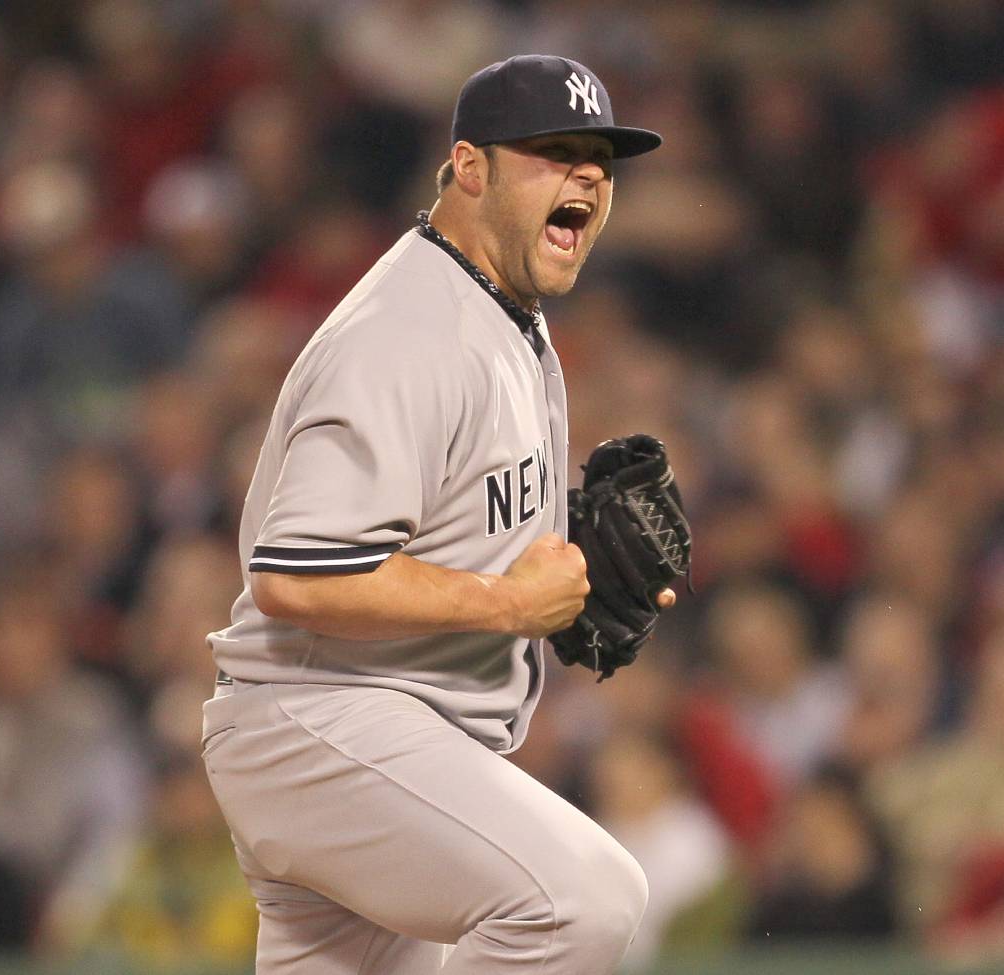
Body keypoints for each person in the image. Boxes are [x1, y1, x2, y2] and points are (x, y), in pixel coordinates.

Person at [202, 55, 671, 974]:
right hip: (322, 720)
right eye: (553, 151)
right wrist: (505, 606)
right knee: (581, 901)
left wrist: (553, 570)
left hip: (388, 733)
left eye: (599, 160)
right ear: (469, 168)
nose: (585, 176)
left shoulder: (503, 312)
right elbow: (297, 573)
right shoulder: (406, 332)